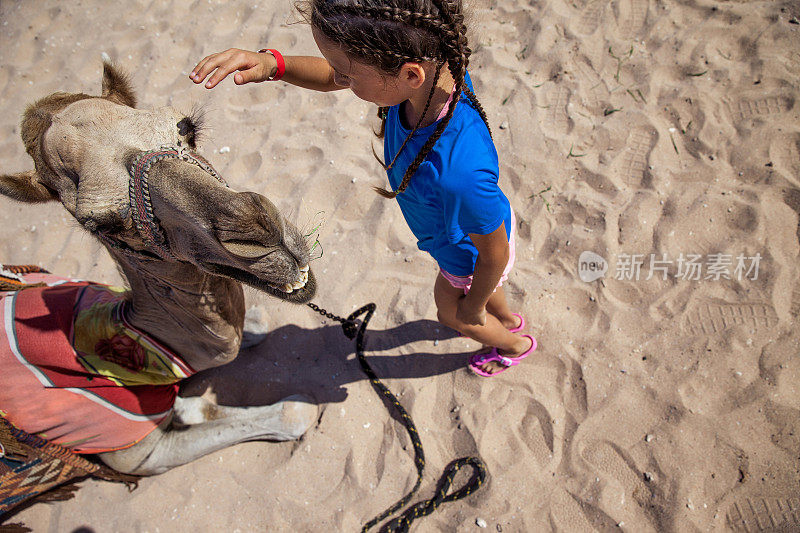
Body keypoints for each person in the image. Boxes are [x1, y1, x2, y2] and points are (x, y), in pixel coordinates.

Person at [189, 0, 536, 376]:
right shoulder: (436, 68)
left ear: (409, 74)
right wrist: (275, 65)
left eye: (349, 76)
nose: (338, 80)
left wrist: (471, 309)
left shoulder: (459, 173)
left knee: (452, 312)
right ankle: (504, 315)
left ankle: (514, 345)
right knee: (487, 290)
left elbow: (495, 256)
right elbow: (331, 74)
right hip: (473, 236)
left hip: (466, 255)